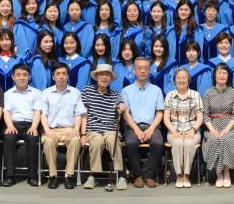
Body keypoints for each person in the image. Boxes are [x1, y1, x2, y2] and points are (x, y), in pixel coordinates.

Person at [79, 64, 129, 190]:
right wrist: (83, 134)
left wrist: (122, 106)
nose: (104, 77)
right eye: (101, 74)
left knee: (112, 139)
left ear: (111, 79)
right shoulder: (87, 91)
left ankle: (121, 175)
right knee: (97, 141)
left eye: (107, 75)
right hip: (93, 129)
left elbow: (121, 104)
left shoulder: (115, 94)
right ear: (96, 77)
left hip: (110, 129)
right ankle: (93, 175)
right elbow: (83, 114)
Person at [38, 62, 86, 189]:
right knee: (48, 142)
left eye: (64, 74)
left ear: (68, 76)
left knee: (75, 140)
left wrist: (76, 129)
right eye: (58, 74)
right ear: (53, 77)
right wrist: (47, 130)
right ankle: (53, 176)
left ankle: (69, 175)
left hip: (69, 129)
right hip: (51, 129)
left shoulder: (75, 92)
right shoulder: (46, 93)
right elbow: (43, 114)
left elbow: (79, 114)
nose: (61, 76)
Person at [121, 57, 165, 188]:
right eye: (139, 68)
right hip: (132, 127)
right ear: (134, 71)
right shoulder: (126, 90)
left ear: (149, 71)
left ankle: (150, 176)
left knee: (158, 142)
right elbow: (126, 114)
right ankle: (137, 176)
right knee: (131, 142)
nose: (142, 71)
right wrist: (136, 129)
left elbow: (160, 112)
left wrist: (151, 129)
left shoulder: (156, 90)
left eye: (145, 68)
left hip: (152, 126)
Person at [202, 63, 234, 188]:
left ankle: (226, 172)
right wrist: (212, 129)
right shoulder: (208, 93)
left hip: (230, 126)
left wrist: (226, 129)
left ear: (228, 76)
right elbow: (205, 114)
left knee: (225, 139)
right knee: (214, 139)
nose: (222, 75)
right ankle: (218, 174)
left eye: (224, 73)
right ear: (214, 75)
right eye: (219, 72)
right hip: (213, 126)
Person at [0, 63, 41, 187]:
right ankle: (10, 176)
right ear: (13, 77)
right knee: (8, 138)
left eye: (24, 75)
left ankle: (32, 176)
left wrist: (34, 127)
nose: (21, 77)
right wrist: (10, 126)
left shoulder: (36, 93)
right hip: (13, 124)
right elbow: (7, 112)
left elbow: (37, 111)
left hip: (30, 124)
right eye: (18, 75)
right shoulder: (8, 94)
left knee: (33, 139)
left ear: (29, 77)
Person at [164, 67, 203, 188]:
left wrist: (193, 130)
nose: (181, 80)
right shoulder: (170, 95)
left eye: (184, 78)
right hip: (174, 131)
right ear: (174, 80)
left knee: (189, 143)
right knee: (177, 142)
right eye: (179, 78)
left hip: (192, 131)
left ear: (188, 80)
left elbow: (200, 117)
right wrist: (173, 131)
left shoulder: (195, 95)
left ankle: (186, 175)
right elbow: (166, 118)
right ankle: (179, 175)